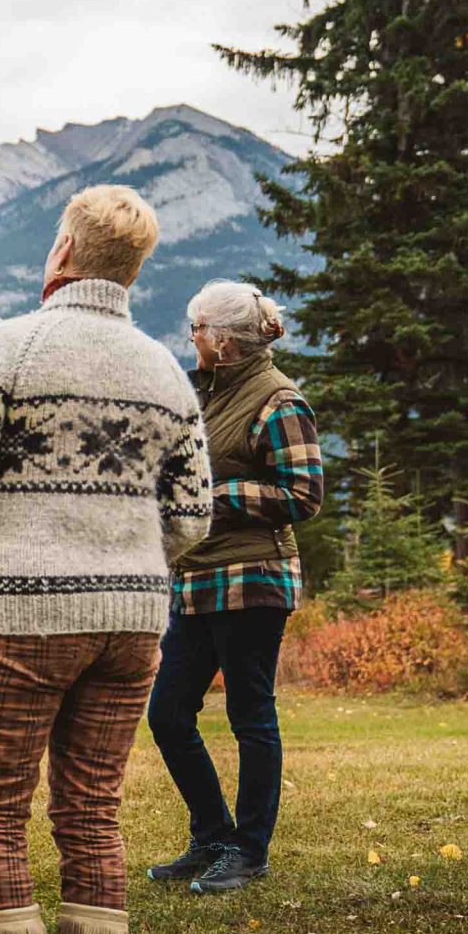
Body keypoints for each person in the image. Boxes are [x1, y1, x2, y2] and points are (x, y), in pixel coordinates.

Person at [0, 185, 212, 934]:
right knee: (92, 815)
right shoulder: (165, 372)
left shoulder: (11, 346)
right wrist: (130, 559)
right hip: (131, 626)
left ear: (63, 253)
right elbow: (193, 517)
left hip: (21, 616)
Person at [145, 281, 324, 895]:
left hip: (253, 579)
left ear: (221, 340)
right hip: (197, 580)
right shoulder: (204, 397)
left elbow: (304, 493)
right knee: (168, 713)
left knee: (250, 715)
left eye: (196, 329)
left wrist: (217, 498)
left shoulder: (279, 401)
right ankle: (213, 835)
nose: (189, 338)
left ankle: (249, 852)